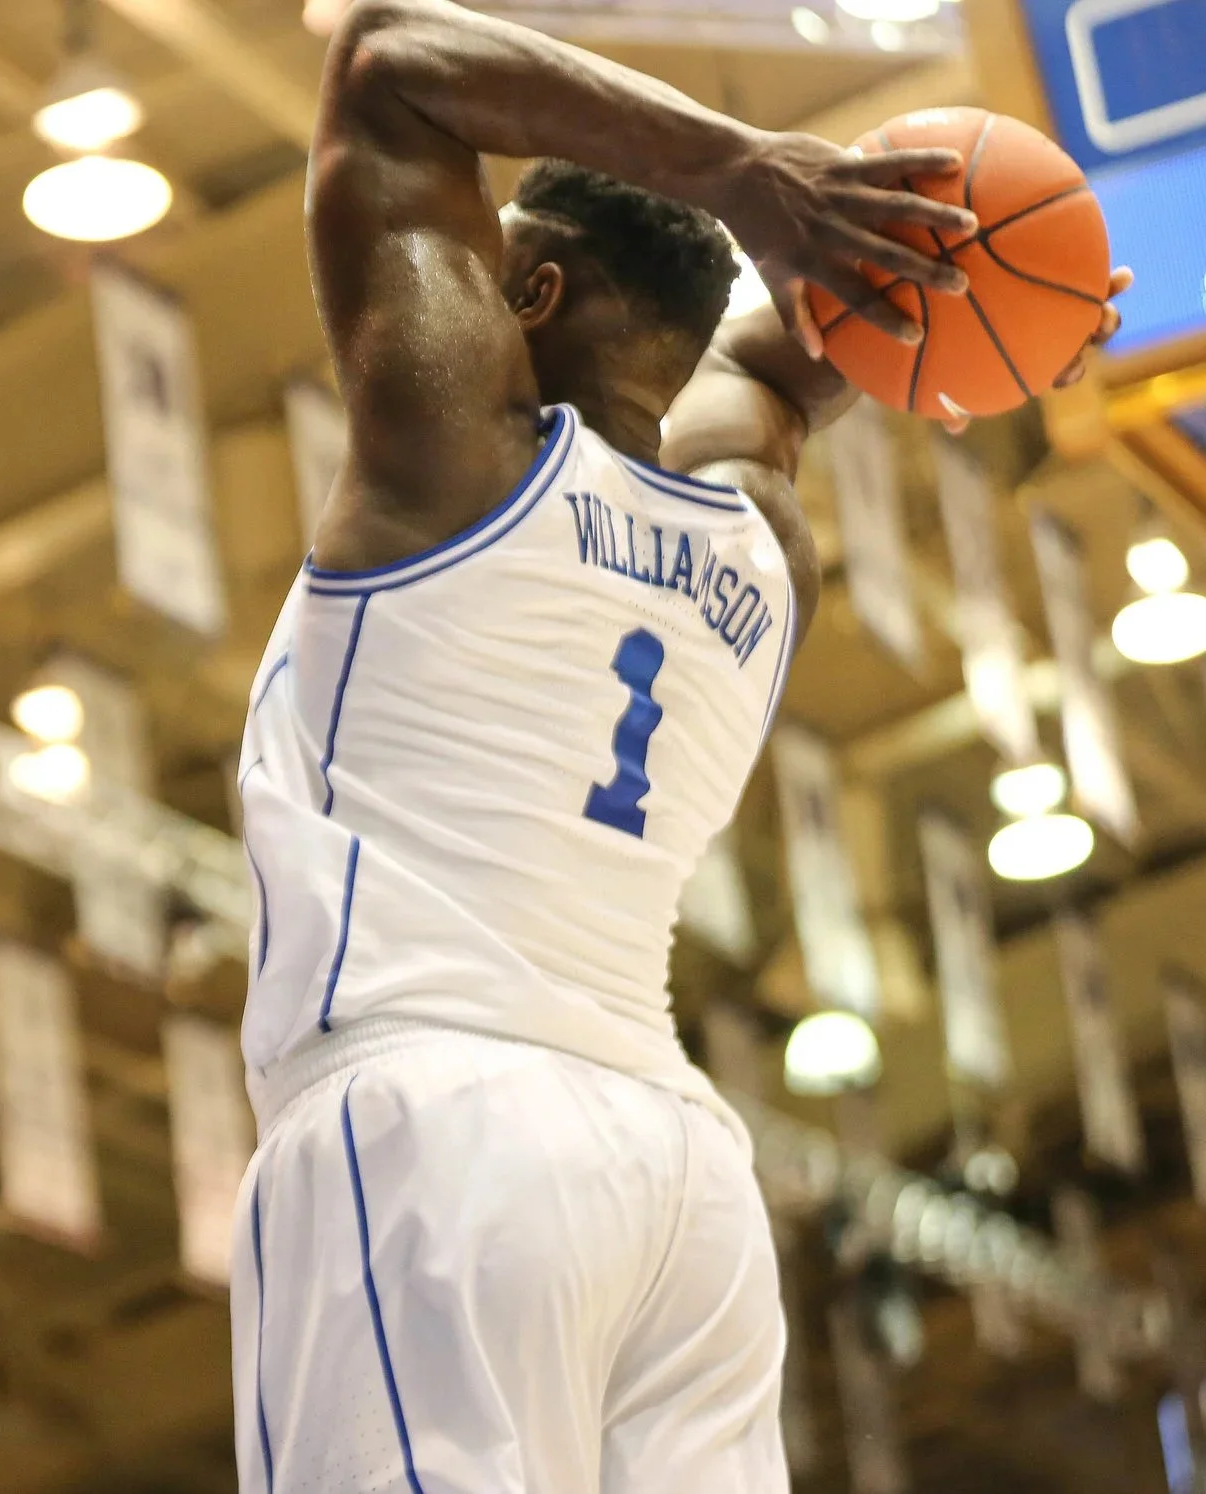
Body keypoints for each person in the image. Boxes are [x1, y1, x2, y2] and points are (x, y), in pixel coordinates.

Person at [230, 4, 1126, 1491]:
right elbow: (786, 364)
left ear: (524, 285)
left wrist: (744, 175)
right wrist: (1001, 286)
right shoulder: (756, 543)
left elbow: (388, 58)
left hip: (438, 1129)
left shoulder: (446, 460)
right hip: (677, 1187)